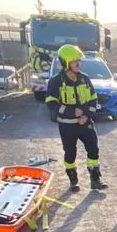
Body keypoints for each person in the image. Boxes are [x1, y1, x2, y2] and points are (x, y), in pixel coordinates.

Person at [46, 44, 108, 192]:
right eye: (74, 61)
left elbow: (93, 100)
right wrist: (71, 112)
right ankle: (73, 180)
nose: (78, 63)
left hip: (85, 123)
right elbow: (51, 104)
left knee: (93, 149)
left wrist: (87, 115)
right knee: (70, 153)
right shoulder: (56, 81)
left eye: (79, 60)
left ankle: (95, 179)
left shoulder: (85, 79)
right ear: (65, 63)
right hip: (67, 126)